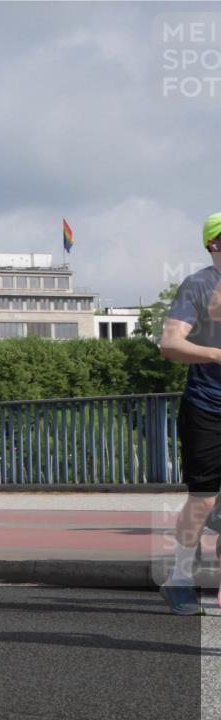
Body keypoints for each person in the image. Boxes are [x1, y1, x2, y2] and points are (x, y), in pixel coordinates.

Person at [158, 211, 221, 615]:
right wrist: (215, 354)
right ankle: (179, 578)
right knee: (202, 500)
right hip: (208, 408)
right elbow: (169, 344)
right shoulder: (197, 286)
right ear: (215, 244)